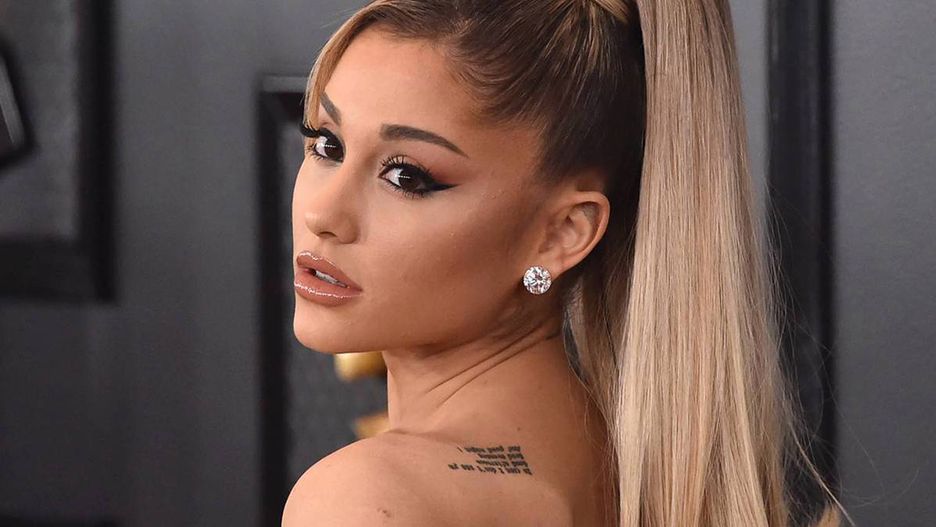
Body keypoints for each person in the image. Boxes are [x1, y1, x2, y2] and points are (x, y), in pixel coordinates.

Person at [282, 0, 848, 525]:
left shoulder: (364, 499)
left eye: (407, 176)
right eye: (328, 145)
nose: (323, 214)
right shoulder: (628, 472)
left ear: (562, 234)